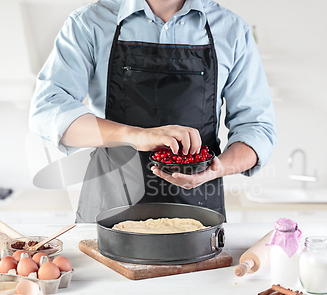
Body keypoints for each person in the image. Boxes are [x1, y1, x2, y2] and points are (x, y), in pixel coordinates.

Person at [29, 0, 277, 222]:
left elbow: (257, 129)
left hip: (198, 213)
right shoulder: (89, 23)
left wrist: (217, 168)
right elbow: (47, 110)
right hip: (108, 210)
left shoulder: (232, 30)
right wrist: (136, 136)